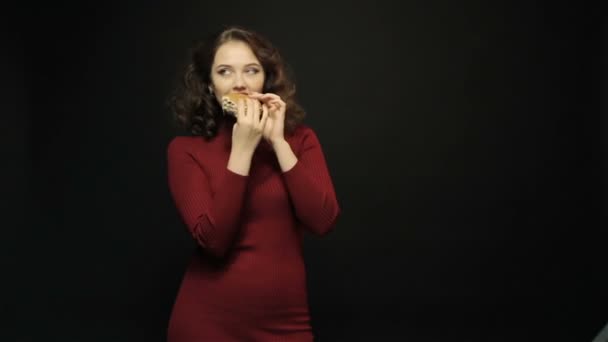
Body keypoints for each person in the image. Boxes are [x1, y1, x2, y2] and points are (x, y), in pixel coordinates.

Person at [165, 25, 341, 341]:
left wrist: (277, 143)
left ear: (266, 79)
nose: (240, 83)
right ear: (209, 86)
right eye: (224, 72)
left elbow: (323, 220)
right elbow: (214, 242)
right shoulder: (186, 151)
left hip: (287, 323)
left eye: (251, 70)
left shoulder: (300, 140)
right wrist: (243, 150)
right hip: (208, 323)